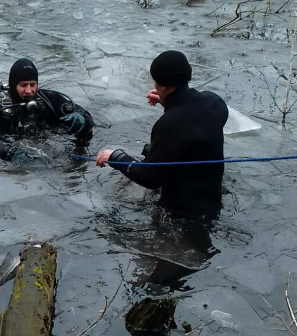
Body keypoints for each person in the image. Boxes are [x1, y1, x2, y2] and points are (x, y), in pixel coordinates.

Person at [96, 50, 228, 221]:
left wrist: (116, 157)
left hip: (181, 215)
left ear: (164, 86)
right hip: (211, 201)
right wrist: (168, 101)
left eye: (156, 82)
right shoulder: (215, 102)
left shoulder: (169, 124)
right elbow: (193, 121)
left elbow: (149, 178)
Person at [0, 58, 94, 165]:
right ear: (13, 84)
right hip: (13, 153)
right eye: (23, 85)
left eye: (32, 85)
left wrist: (82, 120)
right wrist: (8, 151)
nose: (29, 91)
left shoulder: (46, 99)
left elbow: (86, 117)